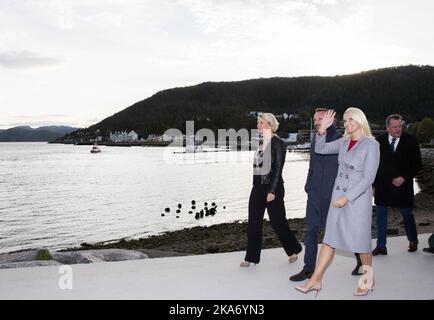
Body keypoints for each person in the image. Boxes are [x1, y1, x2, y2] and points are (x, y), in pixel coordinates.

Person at [294, 108, 380, 296]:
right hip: (337, 197)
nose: (346, 123)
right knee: (329, 240)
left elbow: (368, 178)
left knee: (362, 243)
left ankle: (368, 279)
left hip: (356, 200)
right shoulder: (344, 141)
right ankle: (316, 280)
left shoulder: (371, 145)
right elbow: (320, 148)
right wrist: (322, 131)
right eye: (345, 120)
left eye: (350, 120)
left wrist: (347, 197)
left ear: (360, 121)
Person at [290, 108, 362, 281]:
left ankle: (362, 260)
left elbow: (350, 168)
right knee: (311, 231)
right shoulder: (316, 138)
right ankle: (309, 269)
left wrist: (346, 192)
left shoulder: (342, 139)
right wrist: (308, 185)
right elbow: (312, 165)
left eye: (321, 118)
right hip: (315, 192)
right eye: (315, 118)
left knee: (344, 231)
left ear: (332, 119)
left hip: (334, 195)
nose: (317, 121)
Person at [240, 113, 302, 267]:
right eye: (258, 122)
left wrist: (272, 191)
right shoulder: (262, 144)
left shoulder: (278, 143)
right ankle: (251, 257)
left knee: (277, 222)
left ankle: (293, 249)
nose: (258, 125)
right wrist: (255, 186)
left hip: (272, 188)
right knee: (253, 222)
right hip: (257, 188)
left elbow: (278, 170)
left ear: (270, 125)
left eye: (261, 123)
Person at [372, 114, 422, 255]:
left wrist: (404, 177)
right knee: (381, 215)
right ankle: (381, 246)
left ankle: (413, 240)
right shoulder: (379, 141)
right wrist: (373, 186)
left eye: (400, 126)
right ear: (387, 127)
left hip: (403, 186)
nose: (398, 129)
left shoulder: (411, 141)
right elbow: (374, 165)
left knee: (407, 214)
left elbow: (417, 164)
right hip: (383, 185)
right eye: (394, 127)